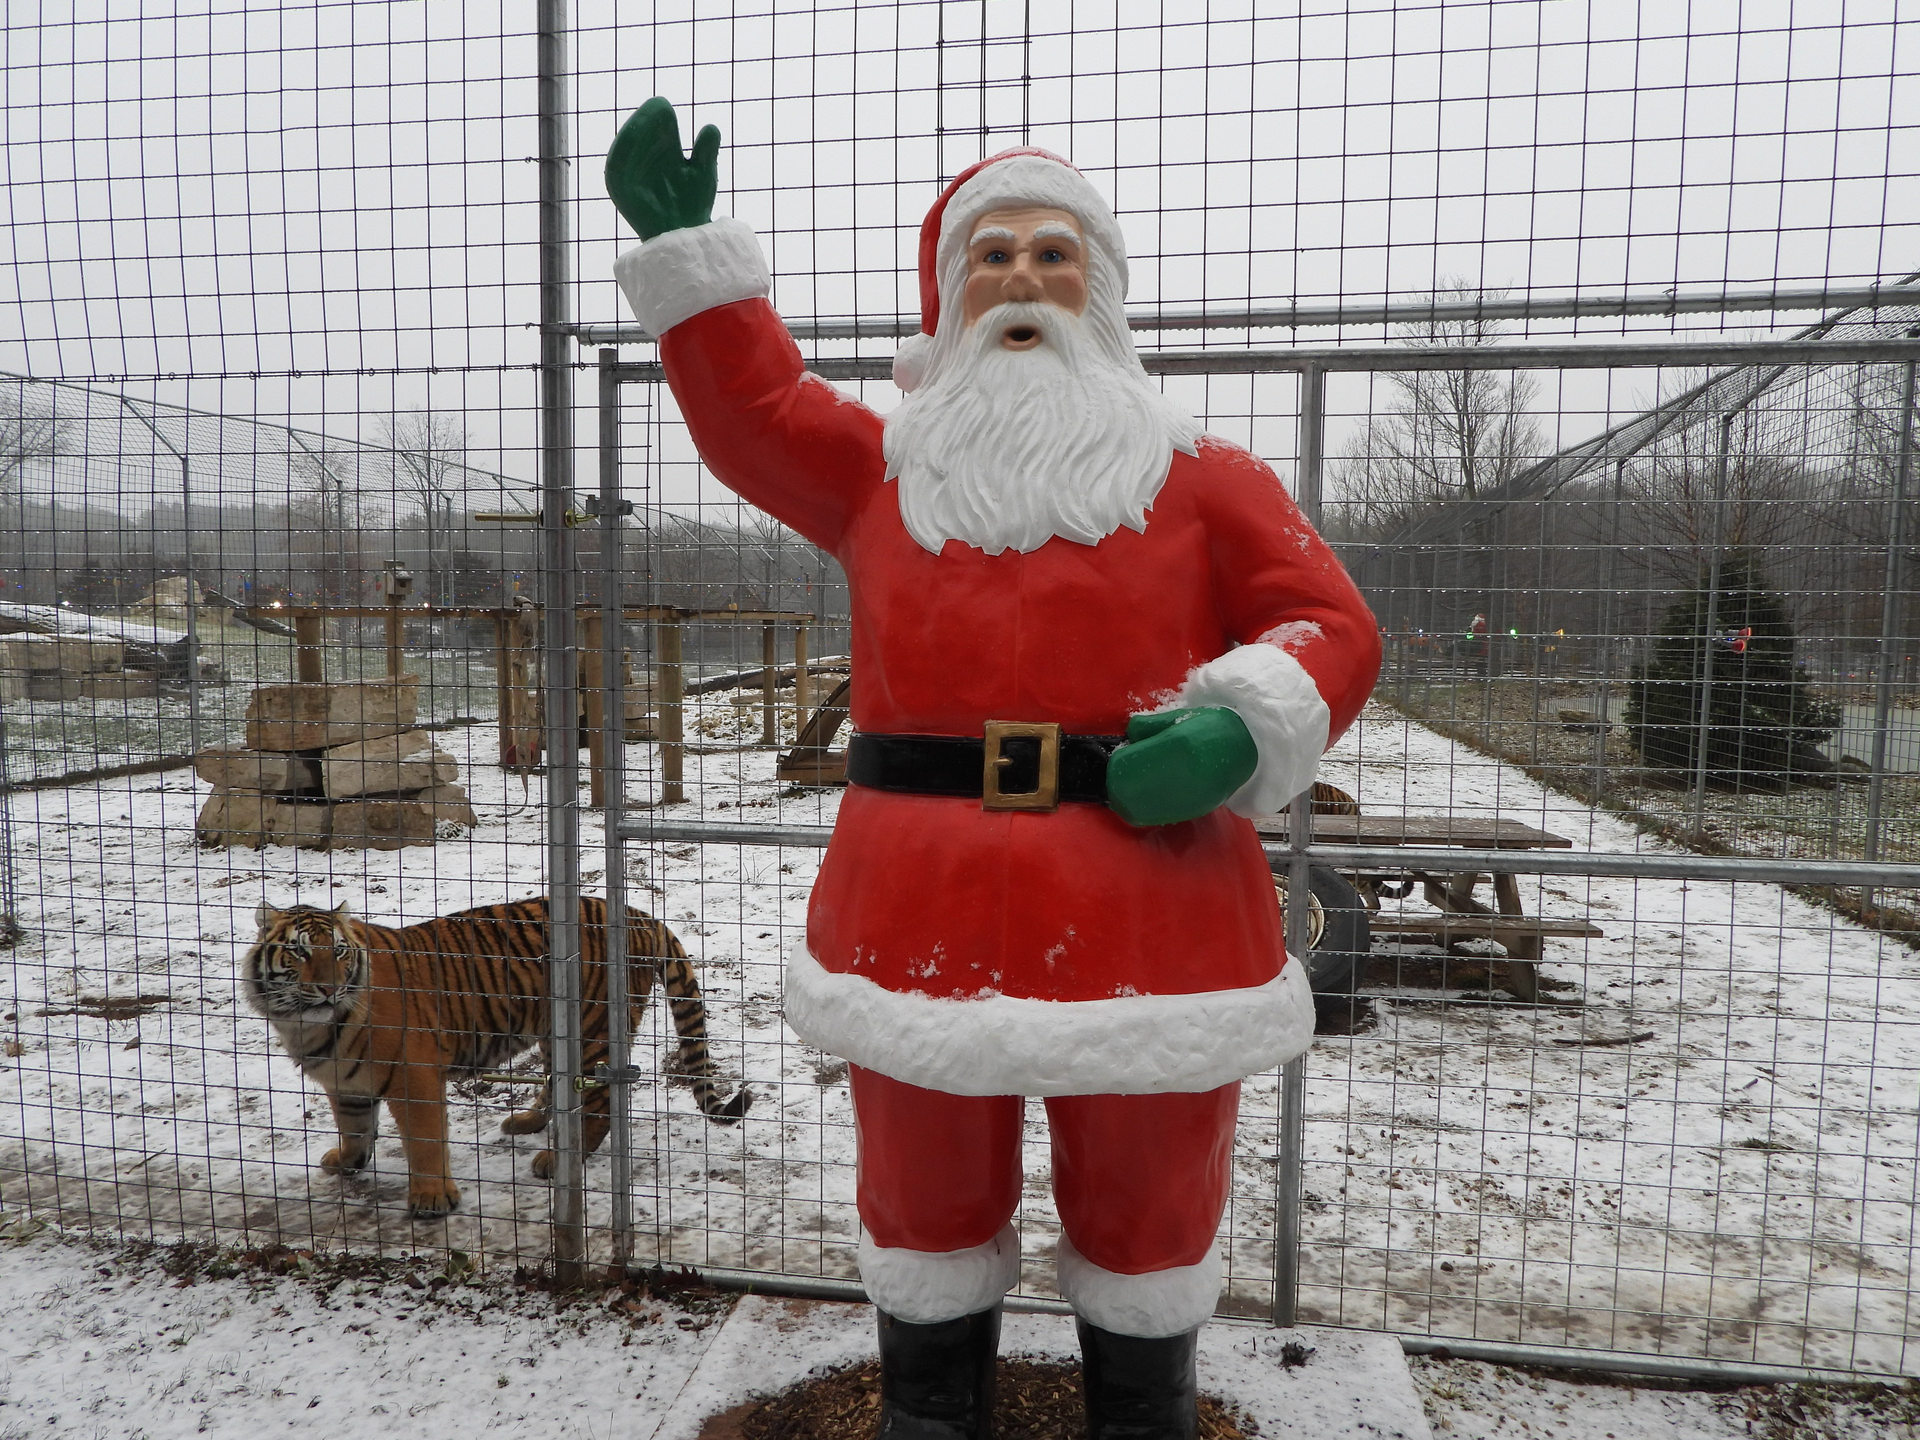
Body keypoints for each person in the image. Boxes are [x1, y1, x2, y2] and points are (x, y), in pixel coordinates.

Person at [605, 99, 1380, 1440]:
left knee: (1151, 1185)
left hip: (1156, 911)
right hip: (920, 904)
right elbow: (757, 414)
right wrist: (697, 270)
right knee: (922, 1177)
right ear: (951, 297)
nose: (1023, 279)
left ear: (1103, 290)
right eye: (994, 256)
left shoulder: (1208, 481)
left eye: (1054, 254)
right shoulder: (878, 476)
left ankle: (1142, 1413)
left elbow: (1333, 624)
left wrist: (1240, 728)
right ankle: (930, 1413)